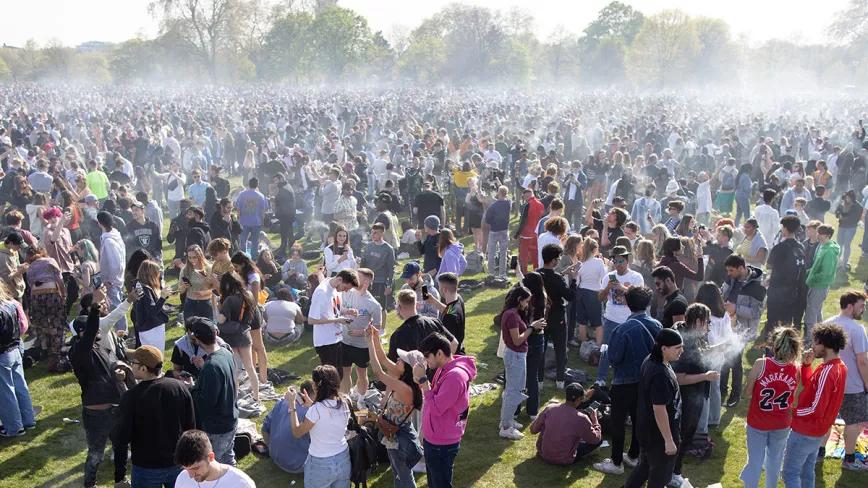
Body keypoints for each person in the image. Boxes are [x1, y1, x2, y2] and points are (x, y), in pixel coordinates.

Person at [593, 286, 661, 475]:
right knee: (640, 419)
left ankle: (616, 462)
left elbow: (614, 358)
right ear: (648, 304)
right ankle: (633, 455)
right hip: (647, 381)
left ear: (627, 303)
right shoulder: (657, 326)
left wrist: (606, 352)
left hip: (623, 382)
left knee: (618, 422)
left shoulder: (622, 330)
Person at [114, 345, 196, 487]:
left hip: (146, 468)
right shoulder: (179, 387)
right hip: (178, 463)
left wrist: (120, 474)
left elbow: (121, 438)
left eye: (133, 363)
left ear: (144, 369)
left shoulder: (131, 397)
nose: (130, 366)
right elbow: (191, 428)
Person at [781, 323, 848, 487]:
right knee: (806, 471)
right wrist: (806, 366)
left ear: (825, 344)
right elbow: (812, 386)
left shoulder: (827, 371)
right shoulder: (839, 367)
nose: (813, 347)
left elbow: (816, 408)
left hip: (805, 430)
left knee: (790, 473)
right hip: (818, 431)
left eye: (816, 343)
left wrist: (793, 412)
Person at [415, 332, 477, 488]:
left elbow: (436, 408)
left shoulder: (455, 377)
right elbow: (434, 399)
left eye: (427, 356)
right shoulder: (445, 368)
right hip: (436, 438)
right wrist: (425, 431)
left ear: (440, 353)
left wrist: (423, 381)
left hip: (441, 444)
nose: (425, 361)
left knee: (440, 484)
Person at [624, 328, 684, 488]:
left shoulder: (650, 359)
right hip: (659, 437)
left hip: (647, 431)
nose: (681, 351)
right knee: (659, 479)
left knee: (643, 468)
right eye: (677, 348)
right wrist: (669, 441)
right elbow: (659, 409)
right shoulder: (660, 375)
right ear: (664, 348)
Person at [670, 304, 721, 487]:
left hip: (696, 397)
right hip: (686, 399)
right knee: (681, 437)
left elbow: (702, 352)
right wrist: (706, 376)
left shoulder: (696, 337)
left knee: (687, 436)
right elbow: (679, 378)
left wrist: (719, 347)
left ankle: (674, 471)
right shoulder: (684, 344)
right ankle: (672, 473)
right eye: (707, 322)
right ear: (698, 321)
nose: (709, 326)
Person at [366, 328, 424, 488]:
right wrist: (375, 337)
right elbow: (383, 358)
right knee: (399, 474)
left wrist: (369, 342)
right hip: (396, 434)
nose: (397, 359)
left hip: (398, 439)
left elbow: (378, 372)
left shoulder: (405, 389)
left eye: (401, 360)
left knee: (405, 477)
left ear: (407, 369)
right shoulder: (406, 380)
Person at [822, 291, 868, 472]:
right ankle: (849, 459)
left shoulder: (826, 324)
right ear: (850, 305)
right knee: (853, 422)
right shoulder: (857, 329)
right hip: (852, 384)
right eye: (861, 305)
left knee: (826, 419)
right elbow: (862, 361)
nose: (863, 309)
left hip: (828, 381)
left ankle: (818, 453)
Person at [286, 365, 352, 488]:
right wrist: (312, 405)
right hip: (343, 458)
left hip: (320, 463)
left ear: (316, 386)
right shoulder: (345, 403)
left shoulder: (316, 410)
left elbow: (296, 432)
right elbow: (328, 416)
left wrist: (291, 405)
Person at [498, 285, 547, 440]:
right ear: (519, 300)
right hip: (515, 356)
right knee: (513, 392)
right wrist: (532, 327)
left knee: (516, 389)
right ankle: (505, 427)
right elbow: (517, 340)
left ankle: (509, 420)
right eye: (526, 302)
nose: (527, 305)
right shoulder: (511, 315)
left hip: (517, 355)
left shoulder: (513, 313)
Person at [187, 317, 238, 466]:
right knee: (228, 460)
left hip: (217, 427)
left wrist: (192, 388)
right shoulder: (226, 352)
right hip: (230, 419)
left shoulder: (211, 366)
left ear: (196, 339)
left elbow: (205, 403)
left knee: (211, 466)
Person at [596, 245, 645, 386]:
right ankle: (601, 378)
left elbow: (640, 295)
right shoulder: (608, 277)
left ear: (627, 261)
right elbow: (600, 298)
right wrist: (607, 288)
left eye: (621, 261)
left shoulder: (636, 276)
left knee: (629, 350)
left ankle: (626, 377)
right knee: (606, 348)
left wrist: (622, 288)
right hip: (611, 318)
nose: (618, 265)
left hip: (630, 320)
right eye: (615, 261)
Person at [216, 271, 261, 408]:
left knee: (234, 369)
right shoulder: (249, 295)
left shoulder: (229, 300)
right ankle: (256, 397)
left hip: (230, 337)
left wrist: (217, 306)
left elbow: (221, 319)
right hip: (245, 334)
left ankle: (234, 398)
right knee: (250, 368)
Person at [530, 382, 602, 465]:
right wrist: (595, 420)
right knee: (598, 440)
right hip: (564, 459)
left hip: (543, 453)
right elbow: (595, 439)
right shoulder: (582, 418)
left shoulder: (550, 408)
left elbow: (533, 430)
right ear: (579, 399)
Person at [538, 243, 577, 388]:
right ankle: (560, 380)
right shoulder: (557, 278)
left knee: (540, 350)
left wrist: (563, 273)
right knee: (560, 349)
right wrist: (573, 279)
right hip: (558, 318)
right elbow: (570, 296)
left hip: (541, 317)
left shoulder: (536, 275)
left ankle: (539, 380)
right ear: (554, 260)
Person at [339, 268, 382, 398]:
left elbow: (377, 327)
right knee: (345, 373)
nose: (354, 279)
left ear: (367, 282)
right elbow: (338, 307)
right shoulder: (347, 292)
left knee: (361, 374)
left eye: (358, 277)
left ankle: (361, 400)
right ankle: (345, 400)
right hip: (344, 341)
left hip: (361, 345)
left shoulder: (373, 304)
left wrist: (362, 332)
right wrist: (345, 312)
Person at [0, 283, 36, 438]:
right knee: (20, 386)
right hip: (15, 349)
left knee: (5, 392)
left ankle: (14, 428)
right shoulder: (11, 304)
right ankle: (28, 420)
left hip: (2, 353)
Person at [308, 269, 361, 373]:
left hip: (336, 338)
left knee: (338, 375)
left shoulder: (335, 289)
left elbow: (335, 309)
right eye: (345, 288)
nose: (345, 291)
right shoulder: (321, 292)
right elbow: (311, 319)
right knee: (331, 378)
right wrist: (337, 320)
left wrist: (347, 311)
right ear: (339, 279)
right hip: (325, 342)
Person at [26, 247, 69, 372]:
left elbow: (31, 284)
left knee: (42, 323)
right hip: (52, 294)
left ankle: (44, 348)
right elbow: (59, 279)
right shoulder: (50, 261)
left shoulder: (30, 267)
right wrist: (64, 295)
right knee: (57, 321)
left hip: (36, 297)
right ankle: (56, 351)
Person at [764, 216, 807, 338]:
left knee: (773, 321)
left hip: (777, 291)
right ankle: (785, 345)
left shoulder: (779, 248)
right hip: (794, 291)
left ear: (785, 228)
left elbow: (768, 265)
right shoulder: (801, 247)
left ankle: (772, 346)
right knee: (787, 322)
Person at [262, 380, 314, 474]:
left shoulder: (281, 402)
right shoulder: (311, 414)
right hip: (298, 465)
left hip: (274, 457)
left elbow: (264, 428)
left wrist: (271, 446)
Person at [173, 430, 256, 488]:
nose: (191, 475)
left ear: (210, 457)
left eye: (195, 468)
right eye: (186, 469)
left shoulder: (241, 484)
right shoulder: (182, 478)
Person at [804, 225, 840, 342]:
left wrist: (811, 278)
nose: (817, 235)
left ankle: (810, 340)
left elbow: (826, 272)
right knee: (817, 312)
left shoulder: (829, 250)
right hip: (817, 284)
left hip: (819, 285)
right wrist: (807, 273)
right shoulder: (823, 246)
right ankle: (822, 336)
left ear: (827, 235)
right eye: (818, 232)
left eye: (820, 233)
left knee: (811, 312)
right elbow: (816, 266)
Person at [98, 211, 127, 334]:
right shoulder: (114, 235)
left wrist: (110, 280)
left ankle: (122, 332)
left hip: (112, 281)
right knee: (116, 306)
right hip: (116, 279)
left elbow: (115, 263)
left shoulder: (109, 241)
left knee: (116, 308)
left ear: (100, 223)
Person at [131, 260, 170, 350]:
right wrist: (163, 297)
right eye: (157, 273)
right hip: (152, 329)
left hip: (145, 328)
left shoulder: (138, 284)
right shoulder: (145, 289)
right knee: (156, 357)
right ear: (151, 274)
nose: (158, 276)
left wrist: (163, 296)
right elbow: (152, 312)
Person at [360, 223, 396, 311]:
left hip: (380, 282)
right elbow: (363, 264)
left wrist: (389, 285)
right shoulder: (368, 246)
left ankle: (382, 325)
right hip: (367, 282)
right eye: (372, 232)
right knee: (366, 308)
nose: (372, 235)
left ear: (382, 233)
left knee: (381, 308)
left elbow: (391, 269)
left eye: (375, 233)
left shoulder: (388, 249)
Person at [235, 177, 268, 258]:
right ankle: (254, 258)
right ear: (257, 185)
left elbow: (238, 208)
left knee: (243, 241)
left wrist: (238, 218)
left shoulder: (242, 194)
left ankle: (243, 257)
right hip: (256, 222)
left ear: (249, 184)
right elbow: (263, 211)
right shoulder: (261, 196)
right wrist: (262, 221)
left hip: (244, 221)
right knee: (255, 242)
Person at [180, 245, 214, 321]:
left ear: (200, 256)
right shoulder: (185, 270)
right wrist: (183, 287)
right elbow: (181, 291)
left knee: (207, 330)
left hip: (206, 303)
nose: (192, 260)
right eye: (189, 257)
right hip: (190, 303)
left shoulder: (209, 268)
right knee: (191, 330)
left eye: (194, 257)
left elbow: (216, 290)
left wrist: (204, 293)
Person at [514, 188, 544, 273]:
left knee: (524, 255)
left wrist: (517, 234)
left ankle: (524, 273)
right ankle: (537, 272)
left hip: (526, 234)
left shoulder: (527, 205)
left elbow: (523, 221)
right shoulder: (540, 204)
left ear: (526, 196)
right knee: (535, 254)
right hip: (536, 233)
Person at [484, 185, 511, 278]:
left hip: (494, 230)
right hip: (504, 230)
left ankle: (491, 273)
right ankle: (502, 274)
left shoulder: (493, 206)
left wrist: (492, 223)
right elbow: (508, 198)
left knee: (491, 253)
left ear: (499, 193)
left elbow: (487, 219)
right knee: (503, 253)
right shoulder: (508, 203)